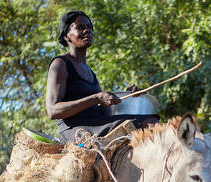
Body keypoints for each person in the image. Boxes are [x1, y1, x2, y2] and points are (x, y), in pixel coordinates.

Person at [46, 11, 158, 143]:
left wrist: (127, 97)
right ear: (66, 36)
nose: (87, 30)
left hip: (96, 123)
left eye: (89, 27)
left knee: (150, 118)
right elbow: (52, 111)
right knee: (147, 123)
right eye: (80, 27)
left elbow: (96, 108)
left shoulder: (89, 71)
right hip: (75, 130)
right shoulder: (60, 64)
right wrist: (97, 97)